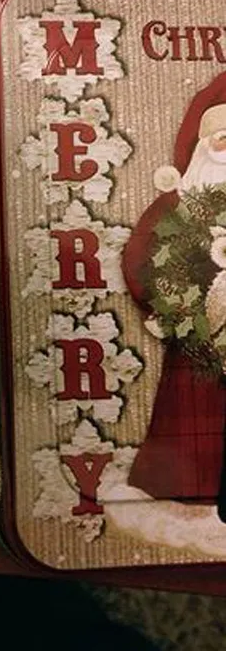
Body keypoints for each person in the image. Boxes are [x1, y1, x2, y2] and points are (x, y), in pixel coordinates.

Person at [123, 72, 226, 519]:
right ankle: (184, 488)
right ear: (202, 146)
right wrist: (172, 301)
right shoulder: (175, 207)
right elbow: (140, 260)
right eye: (223, 139)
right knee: (196, 412)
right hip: (197, 337)